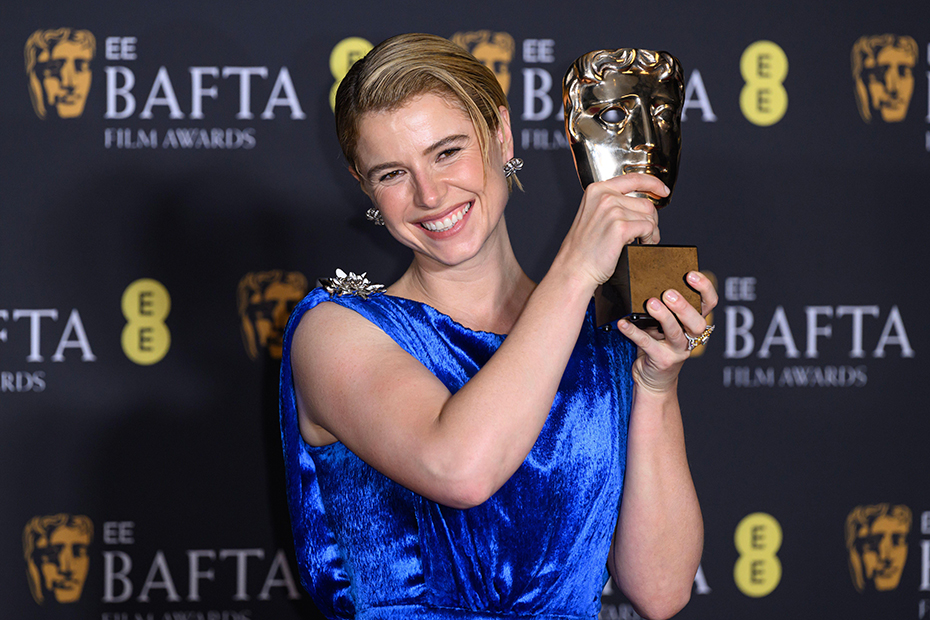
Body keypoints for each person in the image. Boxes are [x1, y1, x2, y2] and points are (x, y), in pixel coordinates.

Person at [279, 33, 716, 620]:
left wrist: (657, 385)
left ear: (500, 135)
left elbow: (661, 591)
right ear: (366, 189)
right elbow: (460, 468)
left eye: (447, 152)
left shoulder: (595, 331)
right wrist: (579, 267)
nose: (430, 195)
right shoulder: (334, 334)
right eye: (391, 174)